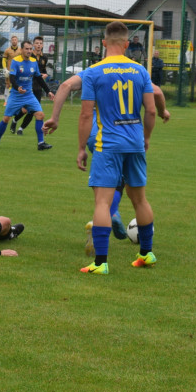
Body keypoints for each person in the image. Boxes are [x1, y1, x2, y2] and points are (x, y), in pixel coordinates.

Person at [44, 66, 169, 249]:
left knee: (106, 184)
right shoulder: (134, 71)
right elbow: (157, 92)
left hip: (96, 133)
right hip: (123, 135)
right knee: (126, 184)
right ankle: (110, 218)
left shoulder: (94, 71)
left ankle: (107, 217)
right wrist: (162, 111)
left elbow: (64, 86)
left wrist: (55, 118)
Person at [76, 21, 157, 275]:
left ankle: (100, 263)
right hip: (134, 142)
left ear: (103, 43)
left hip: (108, 144)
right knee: (140, 199)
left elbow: (86, 115)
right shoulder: (140, 70)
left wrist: (81, 148)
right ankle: (146, 254)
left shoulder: (93, 72)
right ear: (126, 44)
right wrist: (145, 138)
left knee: (102, 202)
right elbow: (152, 109)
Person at [0, 40, 54, 150]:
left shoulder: (33, 62)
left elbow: (39, 78)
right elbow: (12, 78)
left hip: (29, 95)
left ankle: (41, 144)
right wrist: (18, 88)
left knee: (40, 115)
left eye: (31, 49)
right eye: (27, 49)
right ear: (21, 50)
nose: (29, 51)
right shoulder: (16, 61)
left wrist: (48, 91)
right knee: (6, 119)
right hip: (16, 95)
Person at [11, 36, 50, 135]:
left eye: (40, 43)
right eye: (37, 43)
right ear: (33, 45)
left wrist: (45, 75)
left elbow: (43, 71)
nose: (39, 45)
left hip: (38, 87)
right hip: (29, 86)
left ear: (43, 45)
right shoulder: (28, 55)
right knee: (24, 110)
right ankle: (15, 120)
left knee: (33, 111)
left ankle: (21, 129)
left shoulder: (44, 58)